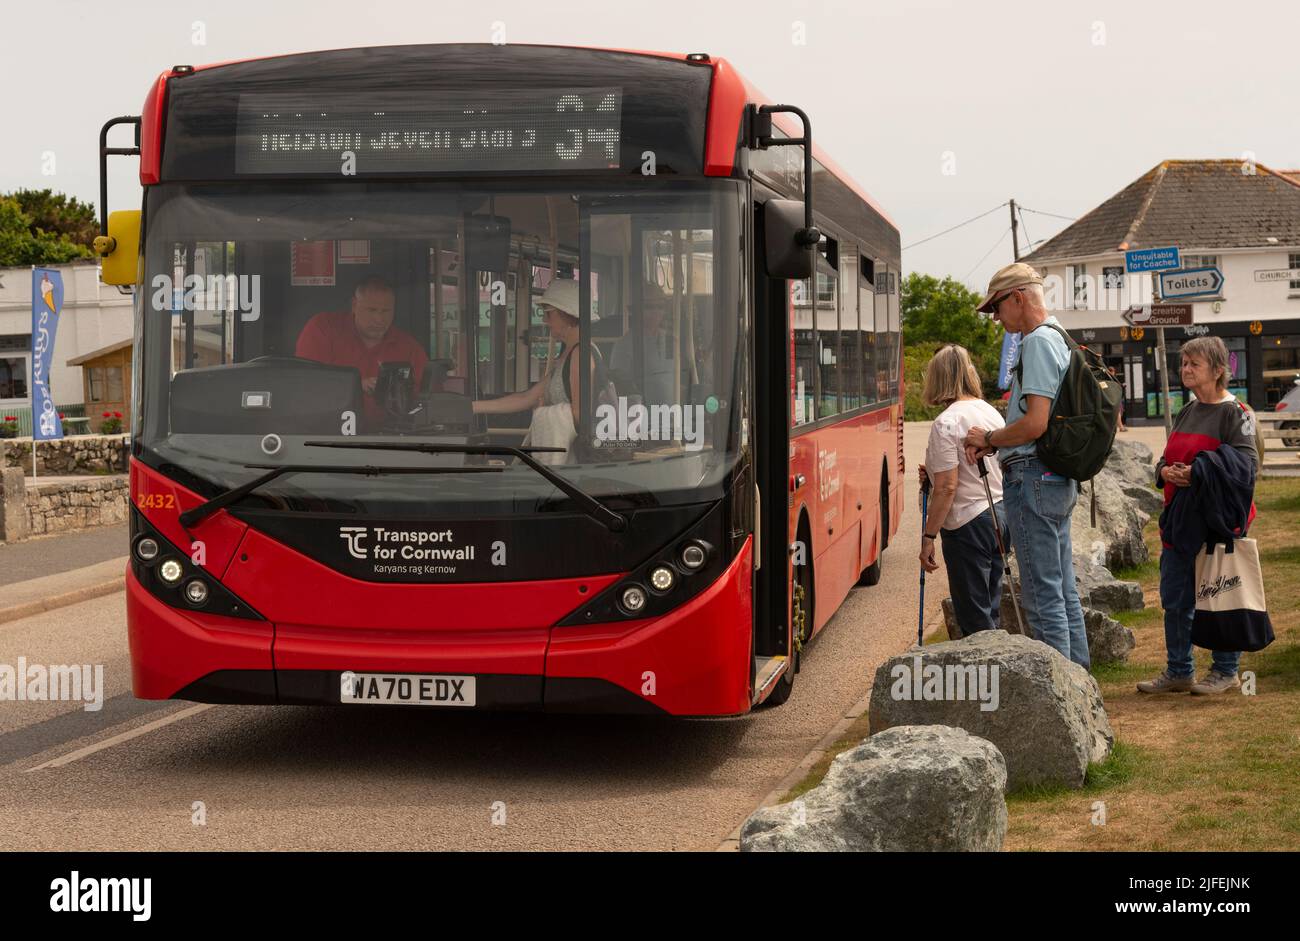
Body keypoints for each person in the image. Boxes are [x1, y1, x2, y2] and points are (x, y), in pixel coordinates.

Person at [963, 262, 1089, 668]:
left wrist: (989, 439)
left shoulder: (1035, 342)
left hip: (1032, 478)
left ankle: (1062, 704)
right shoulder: (1059, 337)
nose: (996, 317)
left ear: (1017, 297)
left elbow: (1034, 423)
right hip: (1056, 477)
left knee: (1041, 596)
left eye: (997, 307)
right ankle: (1082, 687)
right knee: (1063, 591)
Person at [1138, 336, 1259, 696]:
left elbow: (1247, 468)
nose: (1186, 370)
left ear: (1218, 370)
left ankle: (1225, 670)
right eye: (1184, 363)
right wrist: (1165, 473)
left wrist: (1197, 473)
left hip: (1216, 521)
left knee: (1219, 595)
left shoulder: (1237, 414)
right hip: (1180, 520)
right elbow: (1166, 457)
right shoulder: (1188, 410)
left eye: (1194, 364)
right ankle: (1179, 671)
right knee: (1175, 598)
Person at [917, 344, 1008, 636]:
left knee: (975, 619)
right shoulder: (990, 412)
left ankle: (986, 677)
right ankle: (1002, 671)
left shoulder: (947, 422)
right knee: (991, 609)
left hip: (968, 525)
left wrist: (928, 536)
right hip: (1000, 514)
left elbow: (947, 487)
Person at [471, 278, 606, 463]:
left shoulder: (580, 353)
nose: (544, 320)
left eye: (548, 314)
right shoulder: (569, 353)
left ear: (566, 314)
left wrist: (544, 414)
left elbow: (580, 415)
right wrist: (472, 407)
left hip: (574, 465)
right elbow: (527, 397)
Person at [295, 276, 428, 422]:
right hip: (326, 432)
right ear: (354, 305)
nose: (379, 319)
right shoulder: (323, 328)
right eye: (372, 310)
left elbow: (430, 399)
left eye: (386, 311)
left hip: (391, 437)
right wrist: (355, 385)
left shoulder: (408, 347)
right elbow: (304, 383)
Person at [610, 288, 677, 408]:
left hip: (672, 415)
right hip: (643, 417)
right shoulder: (624, 345)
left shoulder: (670, 340)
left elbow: (675, 378)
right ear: (636, 310)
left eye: (660, 306)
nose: (655, 311)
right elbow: (619, 387)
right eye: (649, 306)